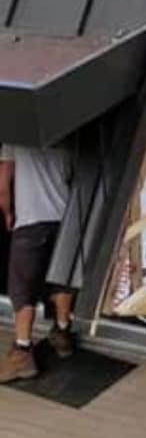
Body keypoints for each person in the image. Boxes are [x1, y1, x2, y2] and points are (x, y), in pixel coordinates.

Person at [0, 142, 75, 383]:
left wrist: (8, 213)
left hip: (30, 221)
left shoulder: (15, 137)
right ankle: (62, 332)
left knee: (22, 289)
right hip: (63, 218)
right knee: (62, 278)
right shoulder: (65, 133)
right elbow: (71, 176)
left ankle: (22, 352)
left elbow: (3, 184)